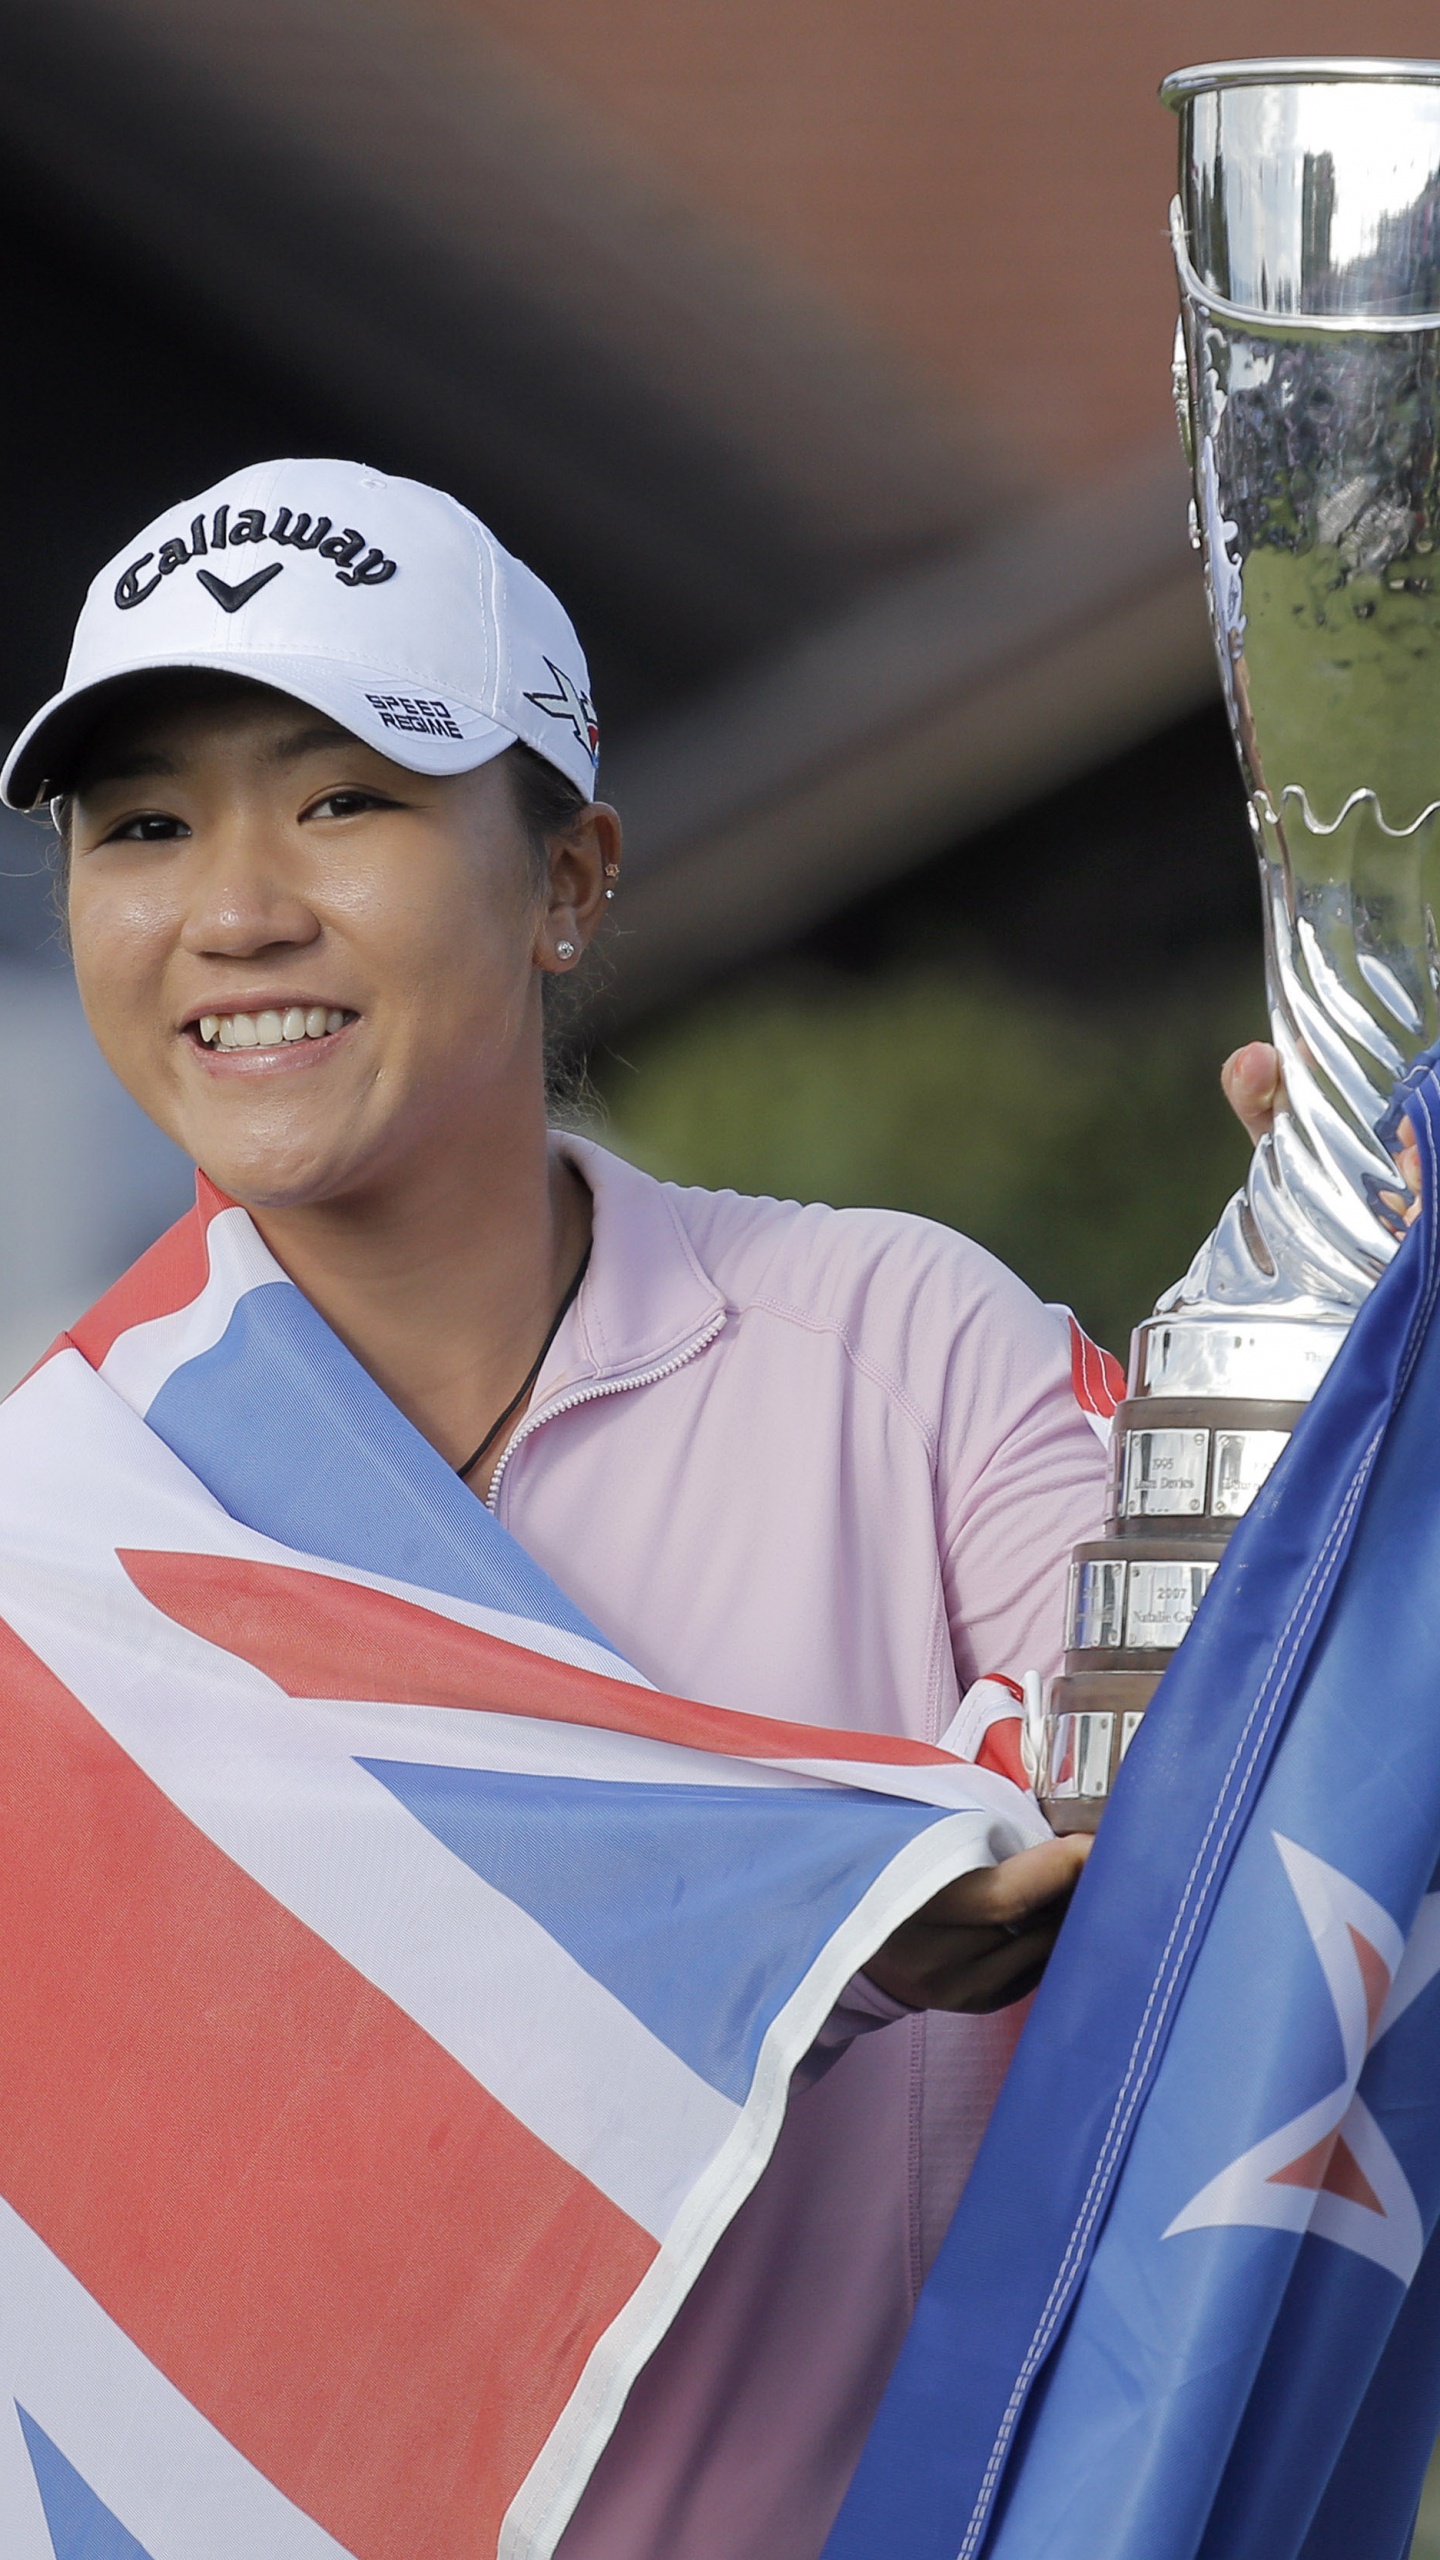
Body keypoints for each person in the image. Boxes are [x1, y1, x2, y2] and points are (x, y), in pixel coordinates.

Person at [5, 458, 1120, 2559]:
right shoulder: (50, 1539)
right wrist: (849, 1891)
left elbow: (1161, 1799)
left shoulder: (896, 1347)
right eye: (142, 824)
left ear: (569, 878)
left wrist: (1327, 1307)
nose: (232, 906)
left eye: (344, 797)